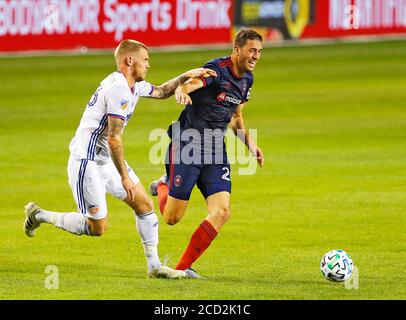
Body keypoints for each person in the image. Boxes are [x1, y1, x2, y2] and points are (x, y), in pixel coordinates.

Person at [23, 39, 216, 279]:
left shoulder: (133, 85)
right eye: (145, 60)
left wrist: (186, 75)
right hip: (87, 161)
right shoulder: (118, 89)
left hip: (105, 159)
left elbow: (163, 91)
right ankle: (39, 215)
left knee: (144, 205)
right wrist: (124, 177)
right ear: (129, 61)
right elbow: (114, 138)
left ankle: (154, 267)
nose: (148, 65)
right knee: (97, 228)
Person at [149, 29, 264, 278]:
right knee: (171, 218)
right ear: (237, 50)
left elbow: (236, 117)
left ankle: (181, 269)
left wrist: (250, 145)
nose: (256, 56)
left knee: (222, 212)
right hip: (188, 144)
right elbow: (192, 83)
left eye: (259, 51)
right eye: (252, 50)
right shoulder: (216, 70)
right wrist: (182, 90)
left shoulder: (247, 81)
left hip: (214, 149)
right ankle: (161, 185)